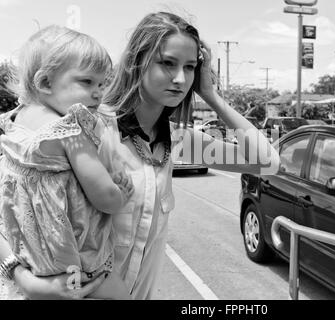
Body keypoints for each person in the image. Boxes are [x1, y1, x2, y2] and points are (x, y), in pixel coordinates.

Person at [0, 12, 280, 299]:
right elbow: (11, 199)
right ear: (138, 62)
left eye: (190, 67)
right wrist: (22, 277)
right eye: (167, 63)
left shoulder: (178, 139)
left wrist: (210, 94)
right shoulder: (86, 128)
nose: (181, 78)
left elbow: (267, 161)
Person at [0, 25, 134, 299]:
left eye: (102, 83)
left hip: (31, 259)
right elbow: (104, 196)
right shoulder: (70, 129)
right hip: (77, 259)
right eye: (87, 82)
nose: (98, 92)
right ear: (45, 83)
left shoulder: (15, 125)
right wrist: (121, 195)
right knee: (118, 293)